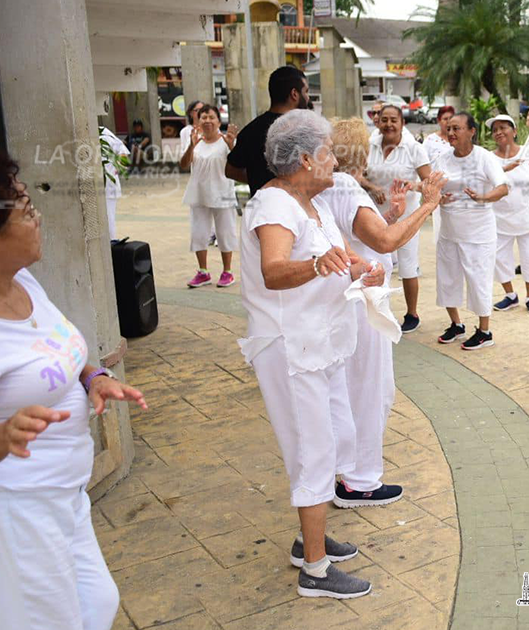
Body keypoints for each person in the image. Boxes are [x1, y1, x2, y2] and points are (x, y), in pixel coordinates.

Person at [0, 145, 149, 630]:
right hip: (11, 512)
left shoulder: (23, 281)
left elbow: (62, 349)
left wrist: (95, 377)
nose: (38, 216)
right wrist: (3, 435)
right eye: (25, 210)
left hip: (64, 495)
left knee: (95, 606)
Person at [238, 109, 384, 599]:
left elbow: (338, 258)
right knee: (312, 450)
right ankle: (316, 572)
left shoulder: (310, 205)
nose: (335, 161)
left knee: (332, 439)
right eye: (327, 153)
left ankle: (310, 539)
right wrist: (318, 264)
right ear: (304, 158)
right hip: (289, 348)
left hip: (317, 346)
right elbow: (275, 271)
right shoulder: (275, 206)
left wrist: (363, 269)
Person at [321, 117, 447, 508]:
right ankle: (360, 480)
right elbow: (385, 240)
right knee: (370, 388)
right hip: (363, 301)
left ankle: (349, 472)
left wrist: (392, 214)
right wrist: (427, 205)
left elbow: (373, 235)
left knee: (359, 386)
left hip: (352, 296)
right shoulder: (346, 188)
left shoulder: (334, 189)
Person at [431, 113, 509, 350]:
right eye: (449, 128)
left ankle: (484, 331)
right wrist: (437, 198)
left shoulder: (484, 158)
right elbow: (430, 186)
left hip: (478, 233)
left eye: (457, 128)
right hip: (449, 231)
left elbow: (503, 188)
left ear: (471, 131)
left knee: (478, 281)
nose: (451, 133)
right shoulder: (442, 158)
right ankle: (456, 325)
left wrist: (482, 197)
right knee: (447, 279)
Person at [361, 104, 432, 334]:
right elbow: (357, 175)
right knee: (376, 263)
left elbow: (429, 183)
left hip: (406, 218)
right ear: (377, 122)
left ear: (402, 123)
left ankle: (412, 314)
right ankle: (378, 310)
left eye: (394, 120)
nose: (389, 124)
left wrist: (414, 185)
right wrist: (371, 186)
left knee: (408, 266)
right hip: (376, 216)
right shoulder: (369, 146)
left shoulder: (413, 148)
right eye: (385, 120)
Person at [488, 114, 529, 315]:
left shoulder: (528, 151)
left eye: (503, 127)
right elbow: (485, 183)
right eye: (495, 129)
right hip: (500, 218)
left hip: (527, 217)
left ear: (514, 131)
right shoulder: (490, 158)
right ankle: (510, 295)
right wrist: (505, 168)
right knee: (499, 258)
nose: (499, 132)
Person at [226, 65, 311, 197]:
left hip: (262, 207)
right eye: (306, 91)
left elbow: (231, 170)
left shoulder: (250, 130)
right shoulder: (303, 130)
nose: (308, 97)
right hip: (295, 208)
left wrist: (259, 181)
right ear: (294, 94)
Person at [180, 104, 240, 289]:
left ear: (218, 120)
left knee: (224, 233)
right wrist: (191, 145)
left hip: (223, 193)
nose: (207, 121)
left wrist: (232, 145)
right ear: (197, 121)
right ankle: (203, 272)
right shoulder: (195, 142)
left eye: (211, 117)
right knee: (198, 233)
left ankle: (227, 271)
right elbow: (183, 165)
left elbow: (238, 164)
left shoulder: (226, 141)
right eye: (203, 117)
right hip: (198, 194)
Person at [100, 125, 129, 240]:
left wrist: (119, 168)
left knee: (108, 218)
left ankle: (112, 245)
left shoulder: (103, 133)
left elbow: (123, 152)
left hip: (108, 185)